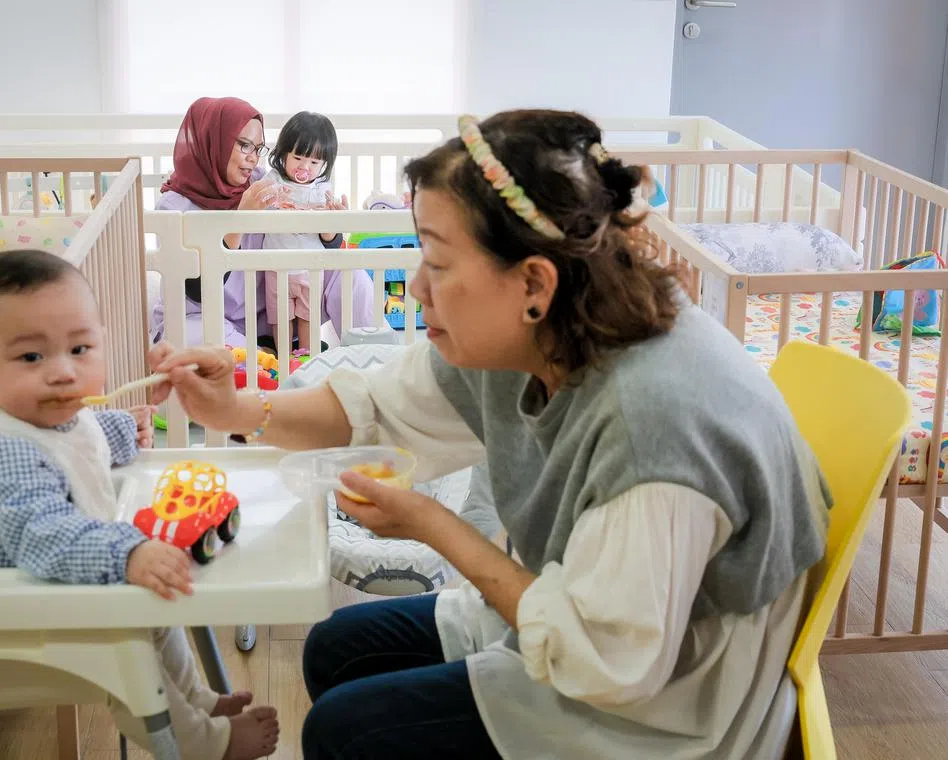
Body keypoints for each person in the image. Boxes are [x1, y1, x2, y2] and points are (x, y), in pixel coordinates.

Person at [144, 109, 833, 759]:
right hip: (581, 604)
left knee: (343, 733)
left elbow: (608, 665)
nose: (416, 287)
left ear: (533, 279)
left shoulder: (654, 424)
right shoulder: (537, 330)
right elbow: (372, 407)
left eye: (438, 263)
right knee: (334, 650)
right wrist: (235, 411)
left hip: (667, 702)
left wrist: (435, 528)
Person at [0, 250, 279, 760]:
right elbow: (44, 533)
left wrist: (128, 427)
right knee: (126, 638)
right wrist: (126, 553)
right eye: (32, 357)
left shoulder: (38, 416)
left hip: (39, 591)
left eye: (80, 348)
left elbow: (77, 440)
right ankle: (205, 743)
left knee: (154, 609)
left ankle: (196, 701)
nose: (64, 373)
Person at [151, 97, 375, 349]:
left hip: (269, 314)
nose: (253, 159)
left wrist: (330, 231)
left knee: (353, 273)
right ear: (214, 142)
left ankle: (375, 351)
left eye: (259, 149)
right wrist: (241, 219)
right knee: (196, 338)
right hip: (208, 316)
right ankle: (268, 358)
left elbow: (319, 245)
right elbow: (197, 291)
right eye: (245, 146)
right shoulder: (174, 208)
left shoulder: (261, 182)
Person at [261, 111, 350, 352]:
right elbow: (257, 208)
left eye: (314, 163)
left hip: (311, 266)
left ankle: (308, 358)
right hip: (276, 264)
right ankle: (283, 358)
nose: (304, 167)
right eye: (298, 158)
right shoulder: (273, 181)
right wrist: (270, 198)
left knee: (308, 317)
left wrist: (332, 221)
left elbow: (329, 236)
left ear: (324, 165)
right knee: (280, 318)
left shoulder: (323, 189)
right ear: (283, 154)